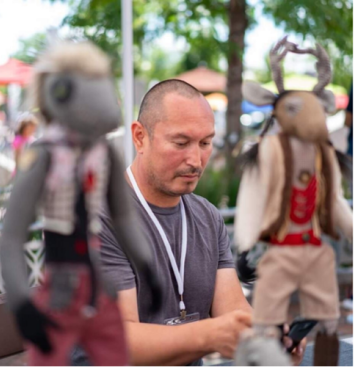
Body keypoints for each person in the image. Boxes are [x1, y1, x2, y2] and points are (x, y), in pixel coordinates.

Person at [97, 79, 305, 367]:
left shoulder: (207, 217)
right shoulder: (99, 218)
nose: (196, 160)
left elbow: (231, 309)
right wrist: (209, 335)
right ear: (140, 137)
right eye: (181, 143)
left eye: (206, 143)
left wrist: (269, 337)